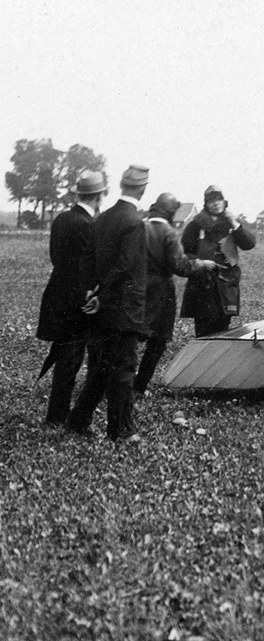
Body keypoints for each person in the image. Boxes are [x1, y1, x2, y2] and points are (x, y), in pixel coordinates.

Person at [66, 164, 151, 442]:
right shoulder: (135, 222)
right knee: (124, 369)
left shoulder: (102, 219)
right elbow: (126, 266)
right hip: (124, 309)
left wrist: (92, 293)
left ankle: (78, 420)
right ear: (143, 188)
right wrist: (102, 296)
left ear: (121, 187)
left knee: (101, 369)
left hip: (101, 310)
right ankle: (121, 430)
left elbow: (88, 259)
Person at [36, 170, 105, 426]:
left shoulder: (62, 219)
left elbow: (56, 258)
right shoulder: (89, 226)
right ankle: (59, 416)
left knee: (65, 356)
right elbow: (90, 267)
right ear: (99, 196)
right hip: (80, 299)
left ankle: (56, 415)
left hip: (58, 293)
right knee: (72, 360)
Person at [135, 193, 217, 393]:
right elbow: (180, 267)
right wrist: (201, 264)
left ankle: (118, 384)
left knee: (129, 339)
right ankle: (139, 387)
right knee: (157, 342)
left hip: (135, 288)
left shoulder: (137, 228)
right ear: (171, 212)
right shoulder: (168, 233)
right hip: (161, 293)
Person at [180, 185, 257, 337]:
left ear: (224, 201)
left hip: (226, 284)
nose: (216, 204)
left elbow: (249, 244)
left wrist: (235, 223)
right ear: (206, 204)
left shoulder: (230, 223)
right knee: (204, 332)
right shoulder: (195, 225)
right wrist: (200, 263)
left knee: (223, 328)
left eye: (219, 200)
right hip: (203, 285)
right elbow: (183, 253)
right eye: (211, 201)